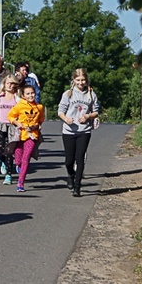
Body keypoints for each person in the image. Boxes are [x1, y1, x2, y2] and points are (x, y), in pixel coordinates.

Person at [58, 68, 100, 197]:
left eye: (83, 80)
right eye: (78, 80)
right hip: (69, 130)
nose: (81, 82)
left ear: (87, 81)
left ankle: (77, 186)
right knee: (69, 161)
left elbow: (96, 111)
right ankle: (70, 175)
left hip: (84, 131)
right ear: (74, 80)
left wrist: (87, 116)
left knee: (80, 158)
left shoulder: (91, 94)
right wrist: (66, 119)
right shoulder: (68, 94)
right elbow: (60, 111)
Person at [7, 85, 45, 192]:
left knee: (26, 157)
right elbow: (10, 116)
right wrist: (17, 123)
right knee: (18, 158)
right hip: (20, 135)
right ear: (23, 96)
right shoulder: (19, 106)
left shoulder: (39, 107)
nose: (31, 95)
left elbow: (41, 118)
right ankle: (18, 165)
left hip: (32, 135)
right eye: (28, 93)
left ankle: (21, 182)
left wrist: (39, 124)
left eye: (32, 93)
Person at [0, 75, 20, 185]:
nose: (10, 85)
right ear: (4, 85)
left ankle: (8, 175)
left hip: (13, 127)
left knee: (9, 152)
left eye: (12, 83)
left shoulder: (18, 99)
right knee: (1, 151)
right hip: (1, 126)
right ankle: (3, 162)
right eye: (8, 83)